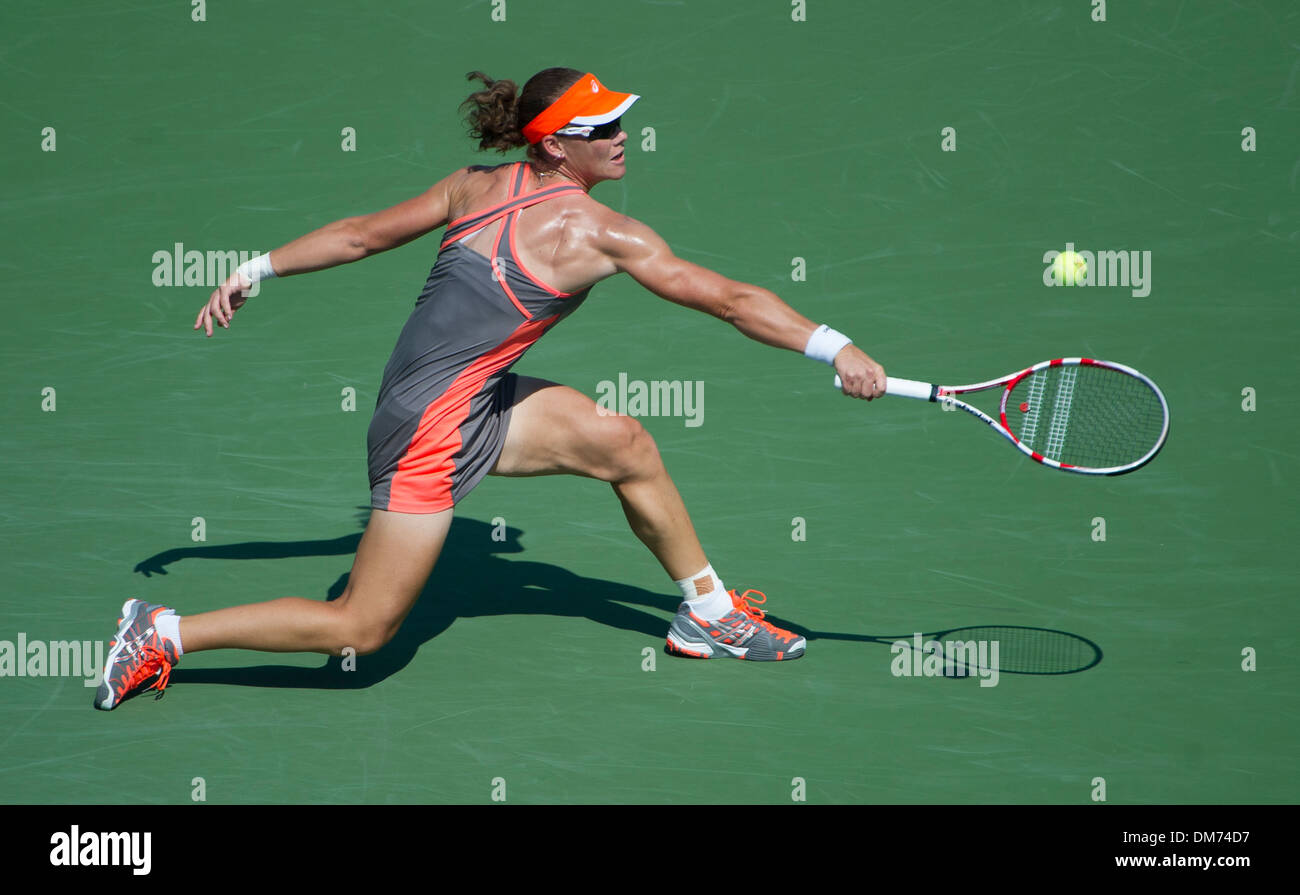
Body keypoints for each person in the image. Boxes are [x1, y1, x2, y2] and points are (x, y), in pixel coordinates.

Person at [95, 68, 886, 711]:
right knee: (362, 630)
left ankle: (707, 615)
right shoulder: (599, 233)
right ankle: (162, 631)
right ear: (554, 147)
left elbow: (362, 233)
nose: (620, 138)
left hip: (474, 399)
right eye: (600, 129)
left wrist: (255, 269)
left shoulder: (474, 186)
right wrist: (836, 347)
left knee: (624, 442)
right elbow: (729, 300)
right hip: (426, 429)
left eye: (618, 122)